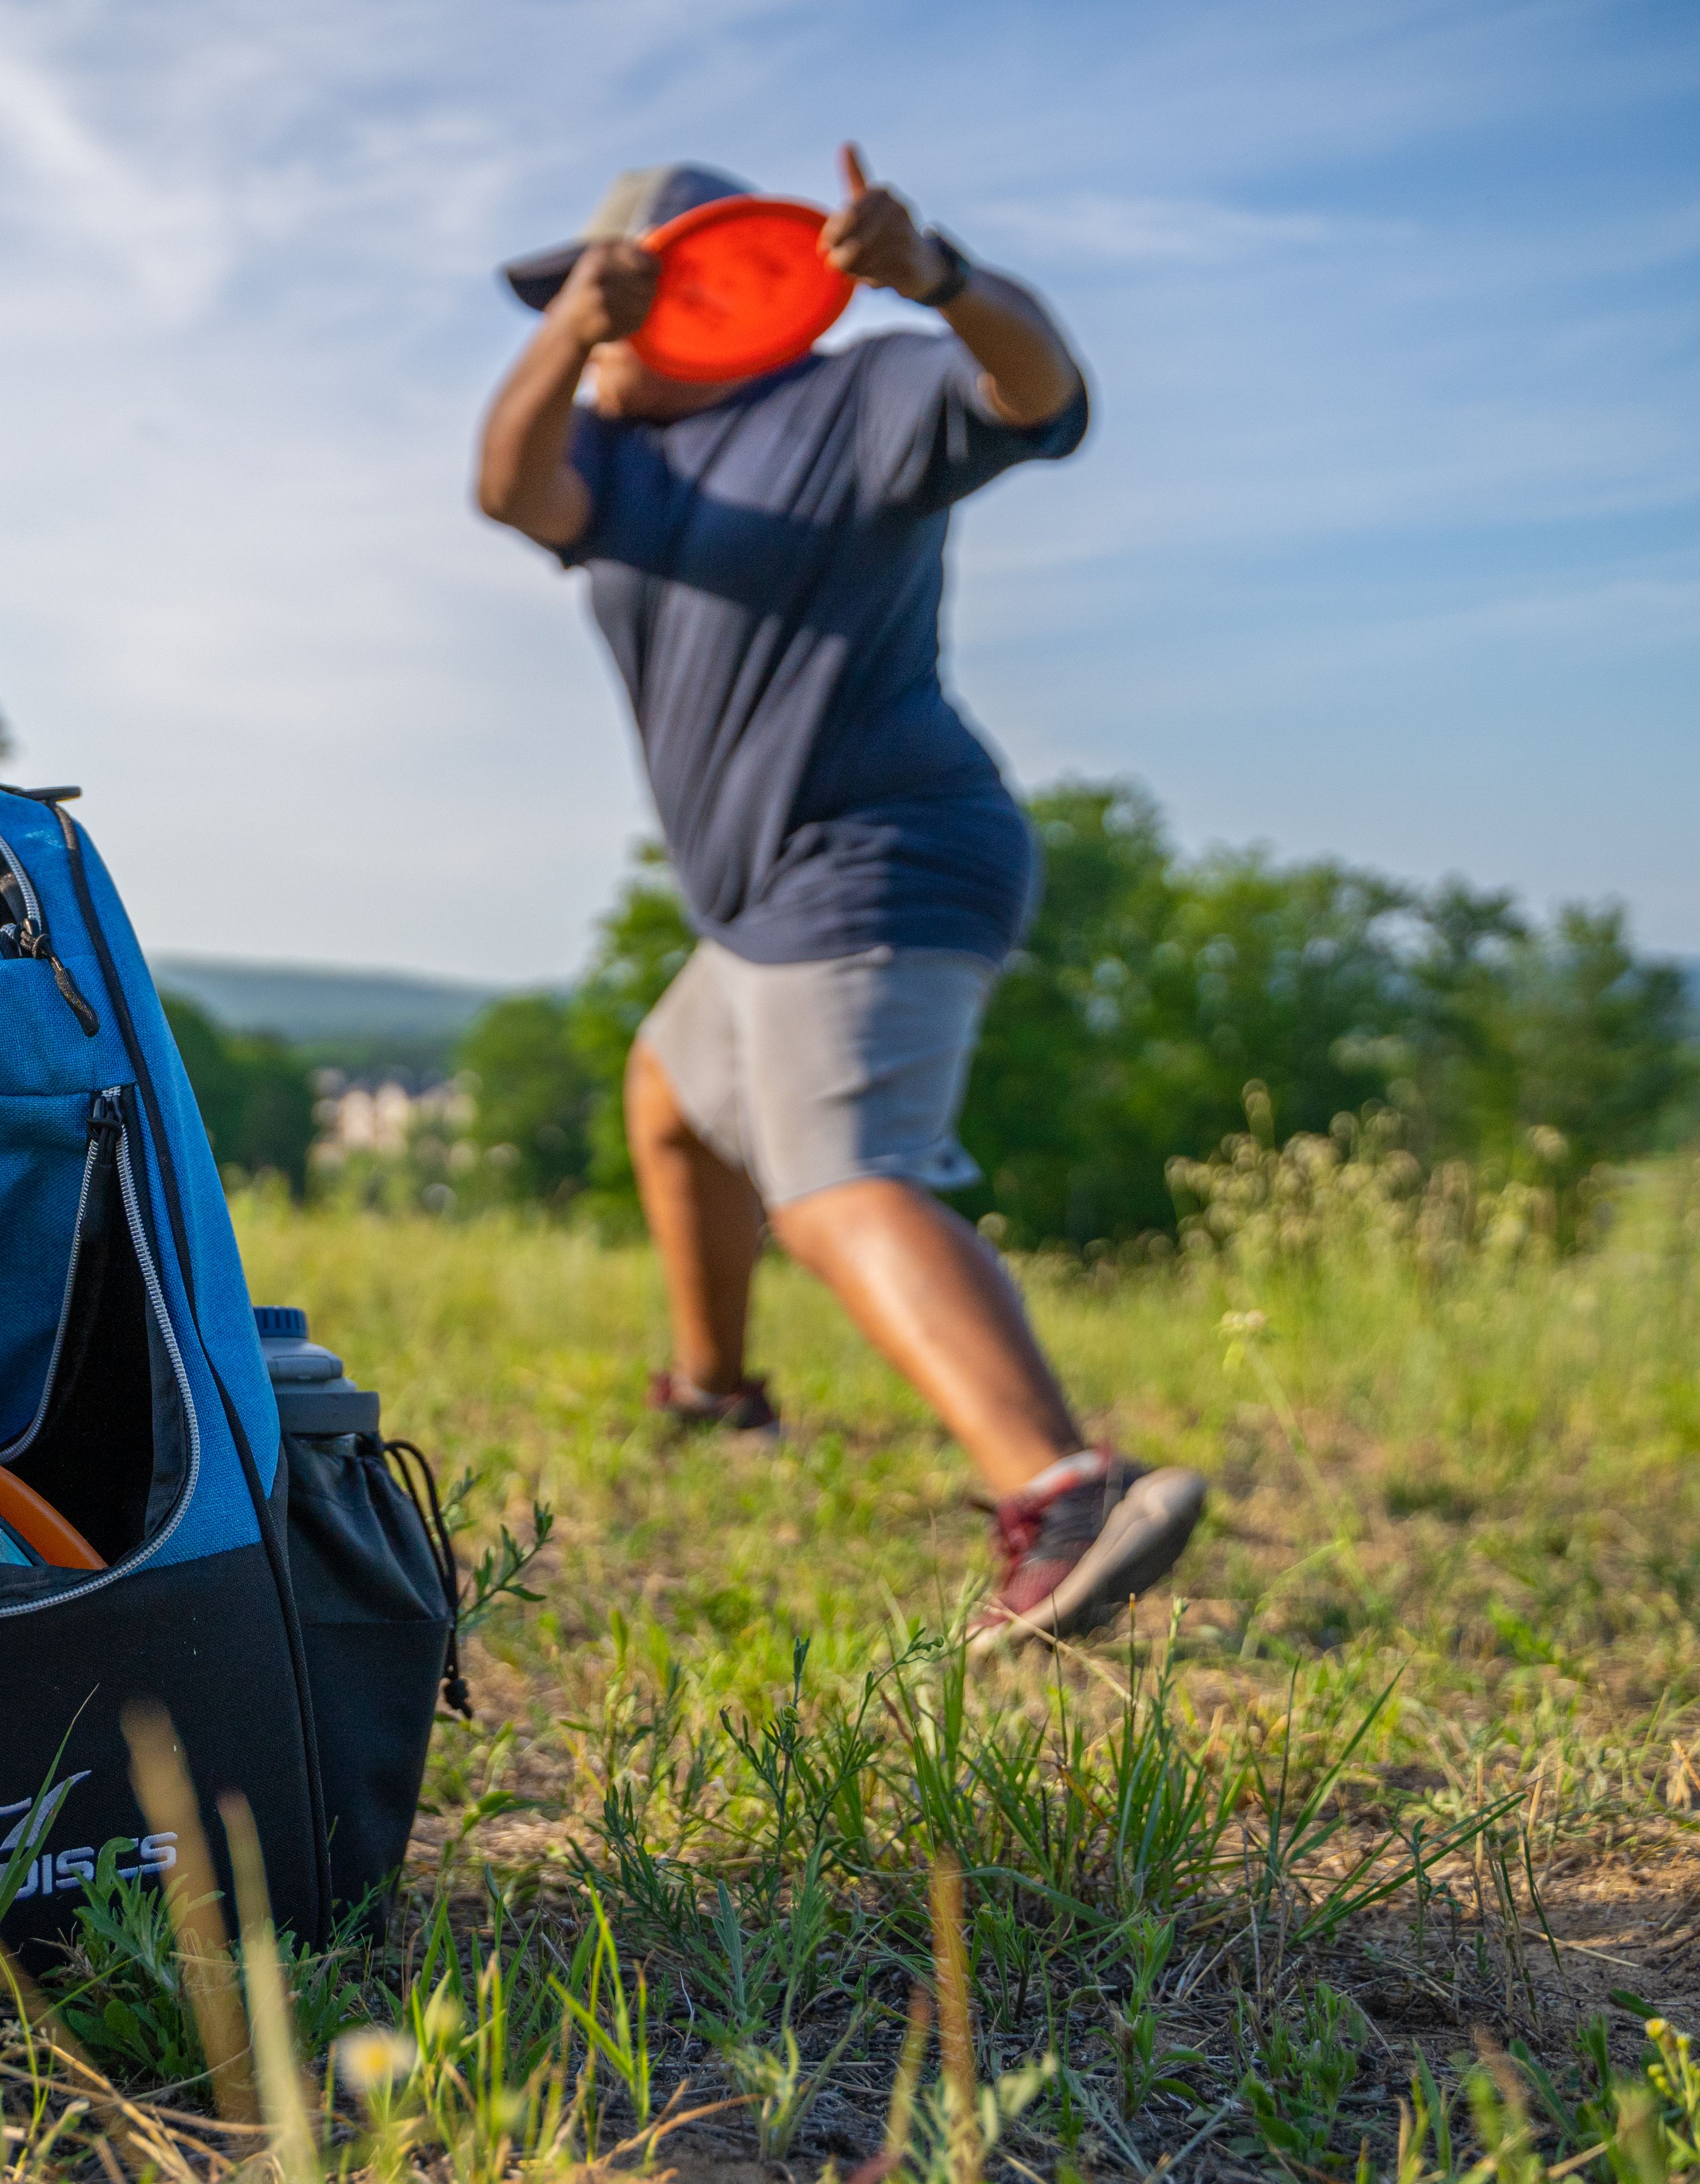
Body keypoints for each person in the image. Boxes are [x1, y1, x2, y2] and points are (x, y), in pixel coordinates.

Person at [473, 149, 1203, 1652]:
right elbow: (507, 487)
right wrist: (565, 343)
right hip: (762, 900)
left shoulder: (852, 400)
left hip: (883, 852)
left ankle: (1062, 1494)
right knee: (672, 1096)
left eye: (593, 295)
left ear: (695, 296)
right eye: (566, 307)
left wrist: (937, 278)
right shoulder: (616, 467)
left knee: (835, 1177)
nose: (581, 326)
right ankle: (718, 1395)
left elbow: (1034, 390)